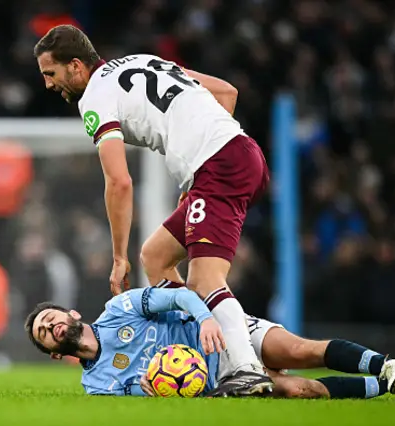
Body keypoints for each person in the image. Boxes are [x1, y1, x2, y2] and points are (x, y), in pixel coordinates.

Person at [34, 24, 272, 396]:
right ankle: (200, 346)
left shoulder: (93, 99)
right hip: (237, 154)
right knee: (156, 256)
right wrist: (198, 178)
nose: (49, 84)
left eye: (51, 73)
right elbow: (227, 92)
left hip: (221, 164)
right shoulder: (144, 61)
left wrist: (116, 257)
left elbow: (119, 182)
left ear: (77, 66)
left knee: (206, 278)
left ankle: (244, 368)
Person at [24, 283, 395, 400]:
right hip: (214, 380)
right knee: (303, 390)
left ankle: (386, 365)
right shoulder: (95, 386)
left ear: (70, 314)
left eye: (51, 318)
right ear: (53, 352)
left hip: (223, 333)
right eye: (45, 334)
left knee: (302, 352)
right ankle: (393, 385)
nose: (52, 327)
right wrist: (162, 391)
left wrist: (206, 318)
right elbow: (143, 394)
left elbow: (180, 295)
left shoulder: (119, 309)